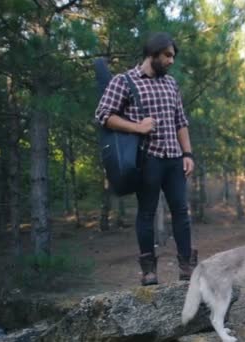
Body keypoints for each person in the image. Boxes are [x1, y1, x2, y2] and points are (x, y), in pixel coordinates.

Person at [95, 32, 196, 286]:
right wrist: (138, 127)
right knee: (146, 213)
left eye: (173, 56)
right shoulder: (124, 81)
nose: (172, 61)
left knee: (181, 212)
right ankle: (148, 271)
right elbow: (103, 115)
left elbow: (180, 122)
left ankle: (187, 268)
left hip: (173, 158)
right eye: (168, 55)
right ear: (153, 54)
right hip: (147, 159)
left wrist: (188, 154)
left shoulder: (171, 84)